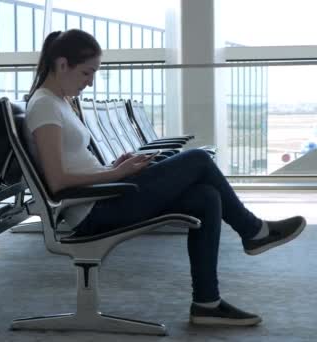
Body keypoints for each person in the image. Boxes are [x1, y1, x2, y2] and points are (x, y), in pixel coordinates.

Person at [24, 29, 306, 327]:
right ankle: (253, 231)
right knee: (197, 159)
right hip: (94, 211)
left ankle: (206, 303)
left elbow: (73, 163)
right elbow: (56, 180)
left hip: (105, 195)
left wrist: (113, 166)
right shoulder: (44, 106)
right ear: (62, 64)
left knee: (206, 198)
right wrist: (116, 173)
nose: (90, 82)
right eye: (86, 72)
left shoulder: (58, 102)